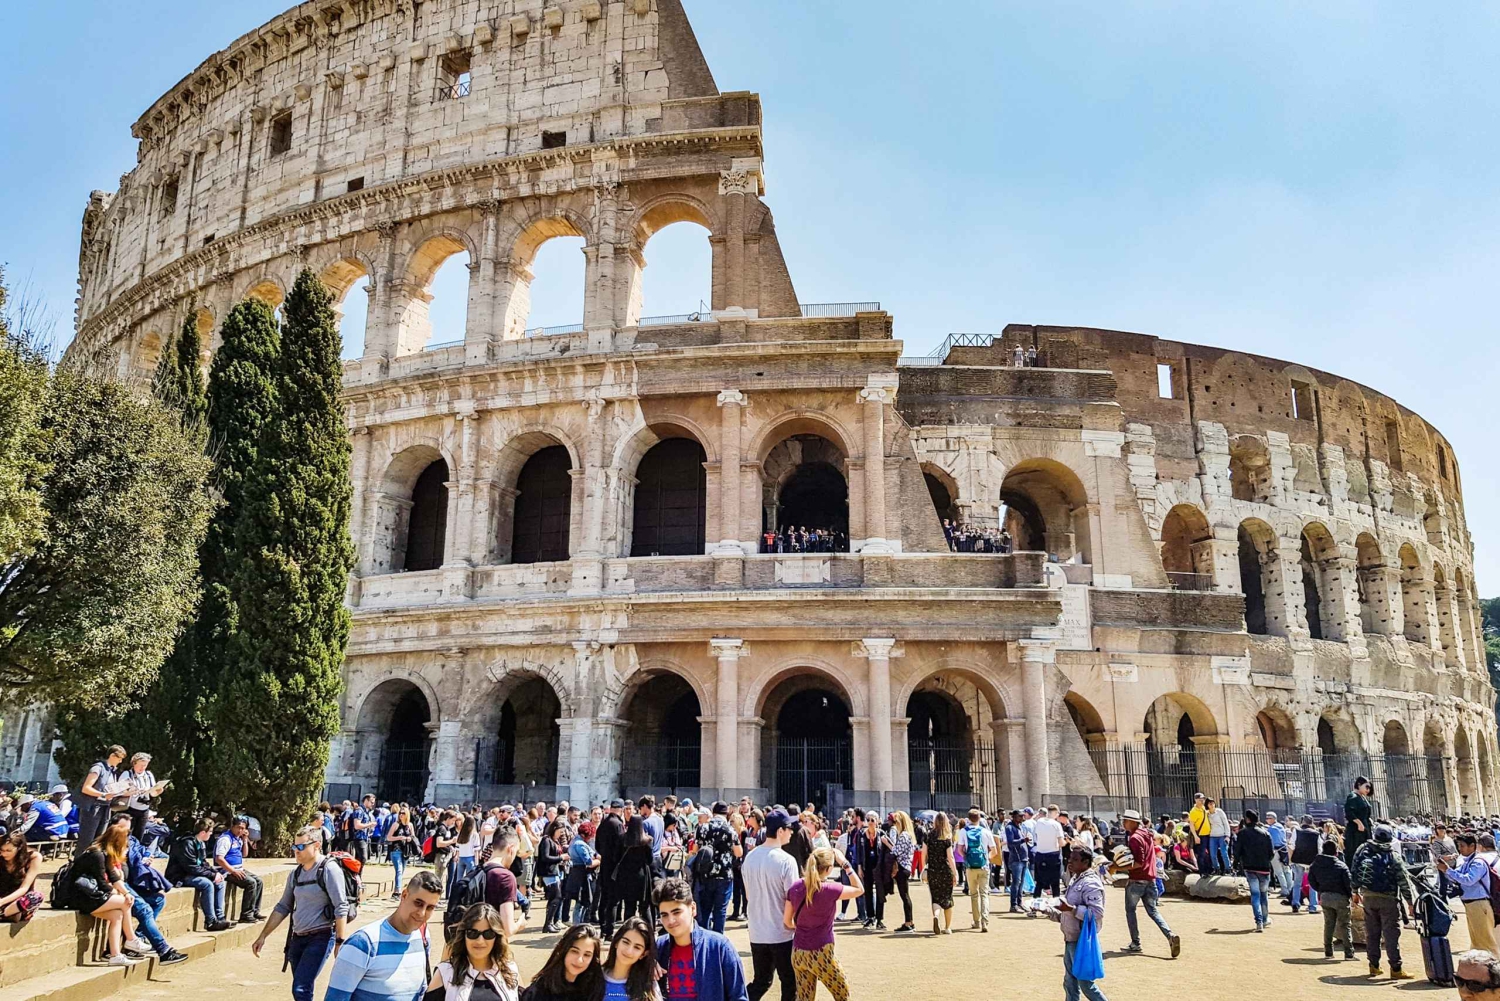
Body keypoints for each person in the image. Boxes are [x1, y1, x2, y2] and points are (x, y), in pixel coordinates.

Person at [253, 825, 351, 1001]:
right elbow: (283, 906)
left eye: (301, 847)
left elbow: (340, 906)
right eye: (294, 847)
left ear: (317, 845)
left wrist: (339, 943)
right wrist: (263, 936)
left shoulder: (329, 869)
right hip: (297, 938)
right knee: (301, 988)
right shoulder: (295, 874)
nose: (296, 851)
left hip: (321, 936)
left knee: (301, 988)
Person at [325, 870, 441, 1001]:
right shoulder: (363, 943)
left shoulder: (422, 937)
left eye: (430, 907)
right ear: (404, 895)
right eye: (418, 903)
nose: (422, 913)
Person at [783, 846, 862, 1001]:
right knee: (842, 993)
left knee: (805, 998)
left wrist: (800, 927)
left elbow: (787, 921)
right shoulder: (830, 889)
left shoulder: (795, 887)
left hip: (799, 951)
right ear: (828, 869)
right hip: (820, 951)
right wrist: (846, 864)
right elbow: (859, 889)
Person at [654, 877, 748, 1001]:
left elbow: (738, 996)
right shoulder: (657, 948)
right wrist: (644, 967)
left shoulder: (719, 947)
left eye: (676, 912)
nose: (670, 921)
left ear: (693, 908)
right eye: (664, 915)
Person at [741, 810, 799, 1001]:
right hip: (782, 932)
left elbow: (748, 895)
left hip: (758, 931)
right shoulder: (787, 861)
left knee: (761, 981)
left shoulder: (750, 857)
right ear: (781, 830)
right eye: (789, 828)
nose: (792, 831)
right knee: (790, 982)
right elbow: (793, 898)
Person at [70, 824, 144, 966]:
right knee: (124, 902)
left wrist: (126, 892)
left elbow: (113, 878)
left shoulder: (104, 854)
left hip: (90, 894)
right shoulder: (96, 854)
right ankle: (131, 939)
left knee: (117, 915)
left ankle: (115, 955)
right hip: (80, 896)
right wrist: (118, 894)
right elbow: (101, 881)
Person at [1351, 824, 1414, 980]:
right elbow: (1403, 880)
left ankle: (1374, 966)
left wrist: (1354, 892)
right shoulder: (1393, 856)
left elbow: (1354, 870)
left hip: (1368, 898)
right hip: (1388, 899)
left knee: (1372, 933)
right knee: (1391, 934)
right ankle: (1396, 968)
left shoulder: (1362, 849)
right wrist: (1410, 902)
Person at [427, 902, 520, 1001]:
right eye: (472, 933)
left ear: (497, 937)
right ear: (464, 935)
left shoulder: (510, 970)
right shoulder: (445, 972)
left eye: (488, 934)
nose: (480, 941)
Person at [1118, 810, 1179, 956]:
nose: (1123, 823)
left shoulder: (1134, 838)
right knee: (1153, 911)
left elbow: (1138, 862)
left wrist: (1117, 867)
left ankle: (1135, 943)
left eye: (1125, 820)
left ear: (1133, 822)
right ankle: (1169, 934)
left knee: (1130, 911)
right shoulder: (1146, 833)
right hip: (1151, 879)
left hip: (1136, 880)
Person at [1053, 847, 1108, 1001]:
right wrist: (1047, 910)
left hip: (1081, 940)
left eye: (1075, 859)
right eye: (1070, 858)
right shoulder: (1075, 879)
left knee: (1086, 985)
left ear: (1085, 862)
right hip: (1070, 938)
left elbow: (1097, 913)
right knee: (1070, 982)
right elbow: (1066, 912)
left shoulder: (1090, 883)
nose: (1069, 861)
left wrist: (1071, 909)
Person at [1436, 832, 1499, 957]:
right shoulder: (1468, 861)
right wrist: (1447, 869)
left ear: (1473, 846)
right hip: (1472, 904)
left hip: (1479, 904)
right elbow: (1457, 876)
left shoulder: (1478, 862)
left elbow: (1469, 880)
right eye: (1459, 846)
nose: (1460, 849)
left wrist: (1448, 870)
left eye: (1462, 846)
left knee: (1486, 942)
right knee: (1477, 941)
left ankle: (1493, 971)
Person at [168, 817, 229, 930]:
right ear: (203, 832)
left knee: (220, 882)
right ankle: (210, 921)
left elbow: (203, 863)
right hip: (180, 876)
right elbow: (191, 867)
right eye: (210, 832)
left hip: (193, 873)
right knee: (207, 884)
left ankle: (220, 917)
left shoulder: (200, 843)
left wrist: (215, 873)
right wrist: (211, 875)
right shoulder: (187, 843)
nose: (211, 835)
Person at [693, 802, 742, 934]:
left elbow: (695, 849)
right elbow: (739, 852)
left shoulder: (702, 828)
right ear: (726, 814)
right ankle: (718, 939)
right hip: (724, 875)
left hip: (706, 874)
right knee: (720, 910)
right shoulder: (730, 830)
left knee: (705, 909)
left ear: (713, 813)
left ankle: (703, 937)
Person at [523, 924, 602, 1001]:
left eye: (587, 955)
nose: (579, 960)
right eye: (574, 951)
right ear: (564, 950)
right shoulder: (541, 990)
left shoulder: (594, 987)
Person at [75, 745, 127, 858]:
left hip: (105, 807)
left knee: (99, 840)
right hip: (93, 807)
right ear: (112, 755)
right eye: (119, 758)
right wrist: (103, 795)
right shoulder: (98, 768)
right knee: (86, 840)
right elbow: (86, 788)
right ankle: (78, 866)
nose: (121, 761)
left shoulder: (112, 771)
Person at [1308, 838, 1355, 960]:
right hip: (1341, 897)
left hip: (1325, 896)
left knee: (1329, 924)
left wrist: (1320, 890)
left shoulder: (1315, 865)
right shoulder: (1341, 866)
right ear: (1336, 852)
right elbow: (1348, 884)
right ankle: (1348, 953)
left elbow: (1311, 880)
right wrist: (1350, 896)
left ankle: (1328, 952)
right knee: (1345, 925)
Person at [478, 827, 527, 942]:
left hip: (473, 939)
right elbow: (508, 929)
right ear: (510, 848)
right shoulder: (506, 877)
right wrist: (520, 923)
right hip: (493, 942)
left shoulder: (477, 871)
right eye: (516, 851)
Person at [600, 917, 663, 1001]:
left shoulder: (648, 986)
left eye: (637, 947)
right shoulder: (595, 977)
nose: (629, 951)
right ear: (616, 942)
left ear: (643, 954)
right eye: (626, 942)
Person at [216, 815, 265, 924]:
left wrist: (245, 840)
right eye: (238, 828)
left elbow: (245, 854)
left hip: (239, 868)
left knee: (259, 881)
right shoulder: (225, 839)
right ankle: (246, 914)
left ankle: (255, 911)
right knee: (251, 883)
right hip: (226, 870)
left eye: (243, 828)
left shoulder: (238, 839)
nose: (241, 830)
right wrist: (233, 871)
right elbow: (219, 859)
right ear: (232, 826)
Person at [956, 808, 994, 930]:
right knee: (984, 894)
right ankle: (985, 921)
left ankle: (976, 921)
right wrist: (987, 858)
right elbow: (994, 850)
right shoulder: (986, 831)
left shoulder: (963, 831)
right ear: (980, 819)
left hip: (970, 866)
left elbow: (960, 850)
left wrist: (966, 858)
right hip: (984, 865)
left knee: (973, 894)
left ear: (968, 819)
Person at [1236, 811, 1274, 932]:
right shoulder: (1266, 833)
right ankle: (1265, 918)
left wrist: (1236, 863)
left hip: (1249, 867)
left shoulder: (1242, 833)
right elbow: (1271, 853)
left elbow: (1237, 851)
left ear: (1247, 820)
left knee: (1255, 894)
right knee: (1263, 894)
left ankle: (1258, 922)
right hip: (1264, 868)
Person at [882, 812, 916, 933]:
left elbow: (896, 851)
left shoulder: (904, 835)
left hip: (902, 867)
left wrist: (887, 843)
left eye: (896, 822)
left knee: (905, 896)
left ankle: (908, 922)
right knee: (905, 895)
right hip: (906, 867)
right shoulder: (909, 835)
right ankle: (909, 922)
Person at [122, 752, 168, 841]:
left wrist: (159, 790)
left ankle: (135, 853)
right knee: (124, 835)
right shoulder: (127, 774)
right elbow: (121, 792)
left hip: (144, 809)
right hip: (129, 809)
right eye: (140, 765)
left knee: (139, 836)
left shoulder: (149, 775)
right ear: (134, 763)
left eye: (145, 765)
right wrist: (133, 791)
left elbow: (152, 793)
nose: (142, 768)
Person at [924, 811, 956, 935]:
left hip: (933, 870)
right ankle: (947, 927)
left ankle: (936, 916)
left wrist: (923, 867)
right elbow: (950, 857)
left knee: (936, 898)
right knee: (947, 899)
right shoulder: (946, 837)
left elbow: (923, 853)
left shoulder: (928, 836)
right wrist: (955, 873)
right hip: (945, 871)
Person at [0, 830, 42, 923]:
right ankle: (6, 915)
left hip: (18, 900)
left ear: (19, 848)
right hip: (2, 893)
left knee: (36, 897)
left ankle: (3, 913)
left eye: (8, 850)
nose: (4, 854)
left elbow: (24, 888)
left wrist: (2, 902)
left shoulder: (33, 858)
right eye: (2, 850)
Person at [1288, 815, 1321, 914]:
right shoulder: (1317, 834)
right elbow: (1320, 849)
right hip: (1311, 862)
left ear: (1302, 822)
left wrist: (1290, 859)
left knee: (1297, 883)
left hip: (1298, 860)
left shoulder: (1296, 831)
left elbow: (1291, 846)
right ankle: (1313, 906)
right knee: (1312, 885)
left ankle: (1295, 904)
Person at [1032, 806, 1065, 898]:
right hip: (1053, 855)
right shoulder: (1056, 824)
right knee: (1055, 883)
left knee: (1039, 883)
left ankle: (1034, 907)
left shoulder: (1039, 822)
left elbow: (1036, 837)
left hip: (1040, 854)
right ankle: (1056, 905)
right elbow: (1061, 843)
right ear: (1056, 813)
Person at [1001, 809, 1030, 913]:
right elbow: (1010, 842)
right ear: (1014, 817)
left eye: (1023, 816)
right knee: (1016, 882)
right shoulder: (1009, 828)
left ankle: (1019, 902)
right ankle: (1013, 905)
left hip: (1023, 858)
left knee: (1021, 883)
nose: (1023, 818)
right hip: (1016, 859)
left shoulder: (1020, 827)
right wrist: (1023, 840)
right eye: (1020, 816)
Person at [386, 808, 418, 900]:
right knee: (399, 870)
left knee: (402, 871)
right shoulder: (396, 824)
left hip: (406, 850)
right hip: (396, 850)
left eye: (403, 813)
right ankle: (398, 892)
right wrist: (399, 837)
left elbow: (413, 837)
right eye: (400, 813)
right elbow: (389, 837)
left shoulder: (410, 825)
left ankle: (396, 890)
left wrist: (409, 838)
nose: (401, 815)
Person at [1344, 776, 1374, 867]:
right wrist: (1359, 823)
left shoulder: (1362, 797)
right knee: (1356, 852)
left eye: (1369, 788)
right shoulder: (1352, 796)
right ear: (1359, 784)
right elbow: (1349, 812)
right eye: (1366, 787)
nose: (1368, 790)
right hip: (1356, 831)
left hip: (1365, 829)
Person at [1203, 798, 1231, 875]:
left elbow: (1226, 823)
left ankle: (1228, 869)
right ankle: (1216, 868)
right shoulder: (1206, 814)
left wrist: (1227, 835)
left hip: (1222, 835)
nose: (1212, 805)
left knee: (1224, 853)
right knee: (1212, 854)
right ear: (1207, 805)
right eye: (1210, 804)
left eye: (1213, 803)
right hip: (1212, 836)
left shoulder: (1220, 812)